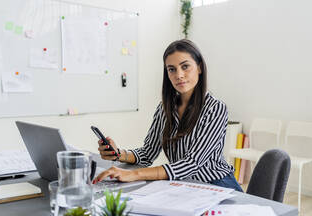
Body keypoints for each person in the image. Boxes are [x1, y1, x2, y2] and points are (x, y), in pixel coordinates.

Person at [93, 39, 242, 191]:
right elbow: (147, 153)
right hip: (184, 186)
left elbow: (191, 163)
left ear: (199, 67)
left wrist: (134, 174)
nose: (179, 75)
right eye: (172, 69)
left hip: (218, 185)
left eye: (185, 67)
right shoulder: (165, 108)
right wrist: (118, 154)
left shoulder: (215, 108)